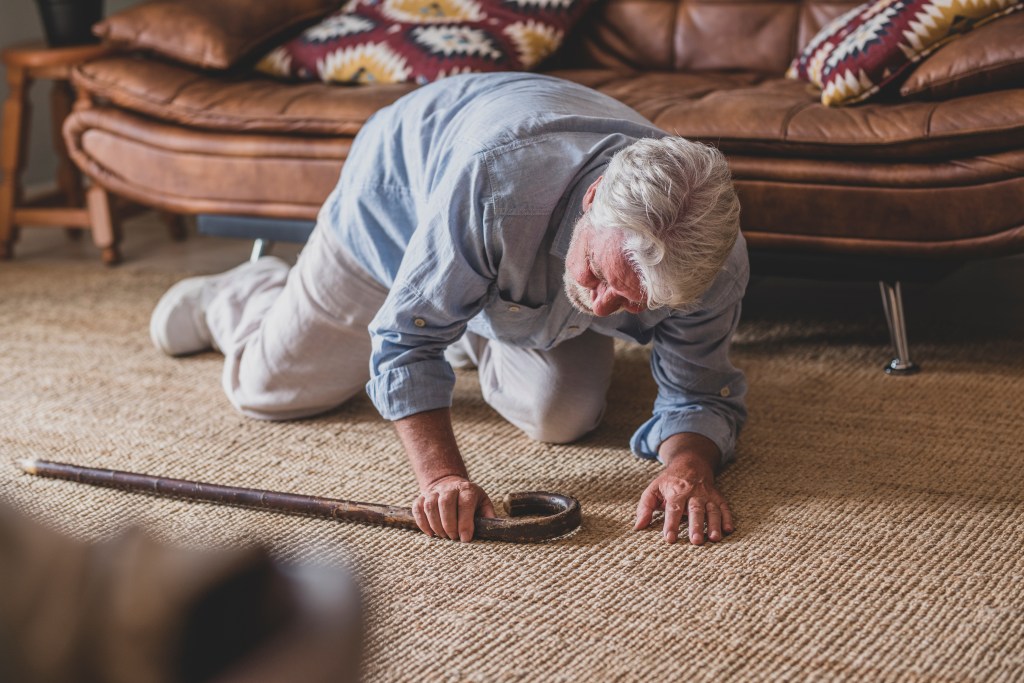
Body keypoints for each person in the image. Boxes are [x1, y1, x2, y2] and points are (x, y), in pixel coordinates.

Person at [150, 72, 749, 546]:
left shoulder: (710, 261)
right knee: (270, 389)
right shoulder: (497, 182)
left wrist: (688, 465)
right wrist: (440, 477)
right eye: (598, 274)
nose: (601, 305)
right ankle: (246, 293)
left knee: (559, 416)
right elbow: (407, 338)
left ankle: (470, 310)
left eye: (631, 303)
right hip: (397, 205)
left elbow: (699, 391)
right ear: (594, 200)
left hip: (513, 256)